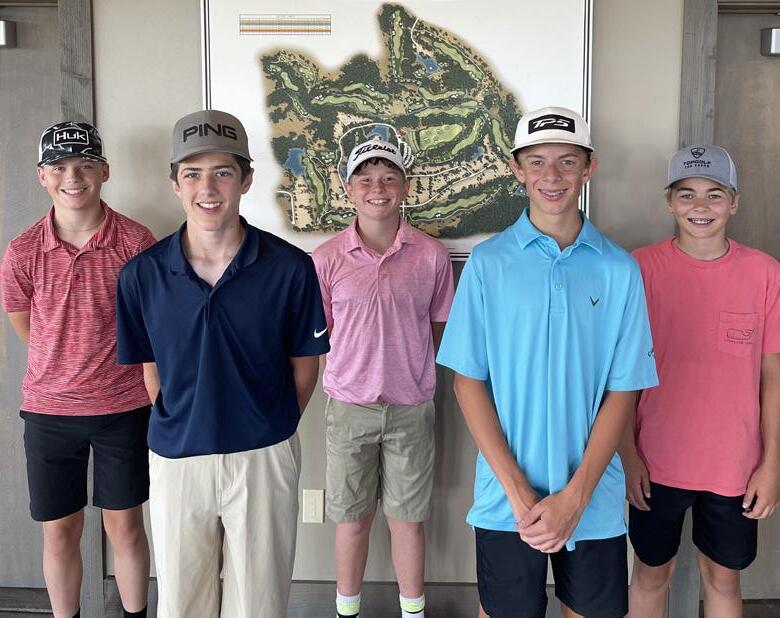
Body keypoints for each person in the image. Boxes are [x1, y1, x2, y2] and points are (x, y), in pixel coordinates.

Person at [436, 106, 659, 618]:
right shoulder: (488, 264)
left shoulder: (619, 269)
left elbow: (624, 390)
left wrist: (575, 497)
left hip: (594, 498)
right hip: (506, 500)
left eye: (567, 161)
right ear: (516, 169)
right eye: (536, 162)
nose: (551, 176)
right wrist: (519, 493)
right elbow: (468, 383)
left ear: (589, 168)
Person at [115, 109, 329, 618]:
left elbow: (305, 366)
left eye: (222, 172)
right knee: (182, 601)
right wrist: (186, 420)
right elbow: (150, 369)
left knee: (259, 602)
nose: (207, 188)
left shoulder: (290, 268)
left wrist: (266, 423)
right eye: (192, 174)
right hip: (177, 458)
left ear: (246, 179)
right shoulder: (142, 275)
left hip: (263, 455)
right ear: (175, 184)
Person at [1, 121, 154, 618]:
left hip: (123, 409)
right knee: (60, 529)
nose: (73, 177)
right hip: (49, 414)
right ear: (41, 176)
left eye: (85, 165)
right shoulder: (23, 249)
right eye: (60, 166)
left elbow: (151, 323)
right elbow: (23, 320)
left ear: (104, 172)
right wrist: (65, 363)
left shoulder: (136, 241)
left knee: (124, 526)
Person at [620, 144, 780, 617]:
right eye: (686, 194)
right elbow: (619, 374)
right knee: (651, 573)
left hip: (735, 465)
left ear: (734, 202)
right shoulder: (638, 269)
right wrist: (627, 454)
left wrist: (771, 464)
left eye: (714, 194)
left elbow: (772, 376)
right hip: (655, 460)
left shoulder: (764, 273)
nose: (700, 206)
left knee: (723, 578)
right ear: (669, 202)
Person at [312, 139, 454, 618]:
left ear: (406, 187)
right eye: (366, 179)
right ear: (348, 189)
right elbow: (321, 333)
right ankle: (346, 610)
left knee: (408, 520)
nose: (378, 188)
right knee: (351, 519)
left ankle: (413, 611)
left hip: (411, 408)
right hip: (348, 409)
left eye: (390, 178)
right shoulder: (326, 258)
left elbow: (437, 328)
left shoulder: (431, 255)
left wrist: (410, 371)